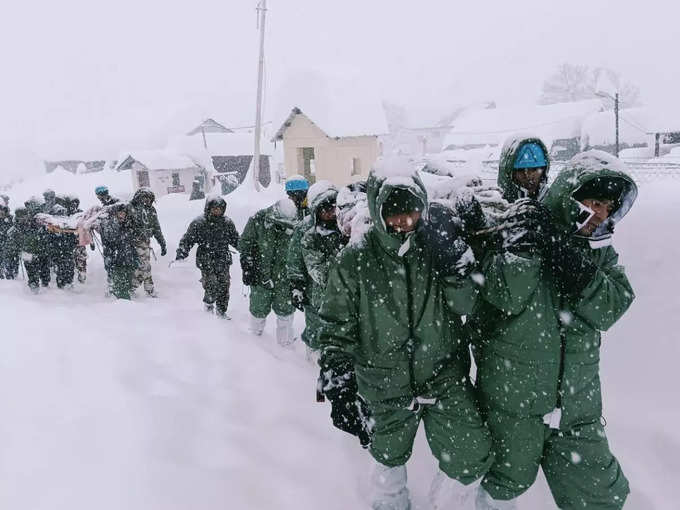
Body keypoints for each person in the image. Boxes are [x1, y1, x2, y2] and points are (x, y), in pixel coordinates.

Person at [318, 161, 493, 510]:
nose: (404, 222)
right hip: (383, 383)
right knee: (388, 459)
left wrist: (457, 263)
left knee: (471, 453)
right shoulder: (355, 260)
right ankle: (391, 502)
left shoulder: (436, 248)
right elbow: (336, 324)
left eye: (412, 212)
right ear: (378, 212)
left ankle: (447, 503)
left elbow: (466, 303)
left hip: (444, 377)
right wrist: (337, 379)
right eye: (394, 214)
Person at [473, 150, 637, 510]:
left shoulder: (597, 250)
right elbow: (501, 298)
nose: (602, 215)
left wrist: (571, 259)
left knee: (599, 493)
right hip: (515, 400)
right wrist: (529, 249)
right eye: (595, 203)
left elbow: (613, 306)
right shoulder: (521, 232)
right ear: (571, 197)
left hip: (578, 404)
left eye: (609, 207)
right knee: (506, 482)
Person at [240, 176, 308, 346]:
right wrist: (248, 264)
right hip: (261, 274)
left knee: (285, 313)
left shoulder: (301, 221)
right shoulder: (259, 219)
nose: (297, 199)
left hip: (285, 278)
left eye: (301, 195)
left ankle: (284, 346)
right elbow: (245, 242)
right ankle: (255, 344)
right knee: (258, 310)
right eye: (294, 195)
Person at [287, 181, 346, 353]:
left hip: (344, 293)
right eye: (325, 209)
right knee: (316, 327)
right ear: (316, 210)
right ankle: (312, 355)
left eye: (334, 208)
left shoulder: (345, 225)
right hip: (315, 290)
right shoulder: (306, 229)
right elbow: (294, 258)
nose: (330, 213)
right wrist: (296, 285)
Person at [175, 196, 240, 318]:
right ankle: (209, 305)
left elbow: (235, 239)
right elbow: (188, 239)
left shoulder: (227, 223)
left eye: (220, 209)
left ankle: (221, 310)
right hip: (206, 258)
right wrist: (182, 252)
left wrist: (245, 249)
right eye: (215, 208)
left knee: (224, 284)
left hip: (222, 258)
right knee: (212, 284)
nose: (217, 211)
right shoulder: (199, 223)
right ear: (208, 208)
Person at [5, 199, 51, 292]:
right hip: (28, 252)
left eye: (24, 216)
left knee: (44, 271)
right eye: (21, 216)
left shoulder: (37, 222)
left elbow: (45, 235)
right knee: (32, 271)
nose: (23, 218)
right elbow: (12, 243)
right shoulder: (16, 228)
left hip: (41, 250)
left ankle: (45, 286)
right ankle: (34, 288)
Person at [128, 187, 167, 297]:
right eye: (144, 198)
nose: (147, 200)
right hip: (134, 243)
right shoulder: (131, 208)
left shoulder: (151, 210)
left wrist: (162, 243)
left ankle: (136, 287)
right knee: (143, 266)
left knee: (144, 266)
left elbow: (156, 228)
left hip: (145, 243)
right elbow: (126, 225)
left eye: (149, 198)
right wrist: (135, 232)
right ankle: (143, 288)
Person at [100, 203, 138, 300]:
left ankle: (120, 301)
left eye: (123, 213)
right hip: (117, 262)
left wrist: (135, 259)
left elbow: (131, 244)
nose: (122, 215)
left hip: (128, 260)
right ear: (115, 214)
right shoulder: (110, 226)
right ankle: (123, 306)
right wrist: (110, 261)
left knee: (128, 284)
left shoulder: (129, 225)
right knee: (121, 289)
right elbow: (109, 242)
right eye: (119, 213)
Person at [497, 135, 550, 202]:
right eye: (521, 170)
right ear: (509, 174)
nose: (528, 176)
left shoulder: (555, 203)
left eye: (534, 169)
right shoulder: (494, 207)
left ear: (544, 171)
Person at [48, 204, 78, 289]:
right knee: (62, 267)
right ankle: (62, 286)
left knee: (69, 266)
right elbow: (49, 238)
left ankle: (68, 283)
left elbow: (73, 236)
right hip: (58, 250)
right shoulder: (52, 224)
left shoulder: (69, 224)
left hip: (65, 249)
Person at [0, 203, 14, 278]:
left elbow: (13, 228)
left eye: (2, 211)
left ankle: (9, 273)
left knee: (8, 258)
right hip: (2, 241)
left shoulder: (10, 219)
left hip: (8, 241)